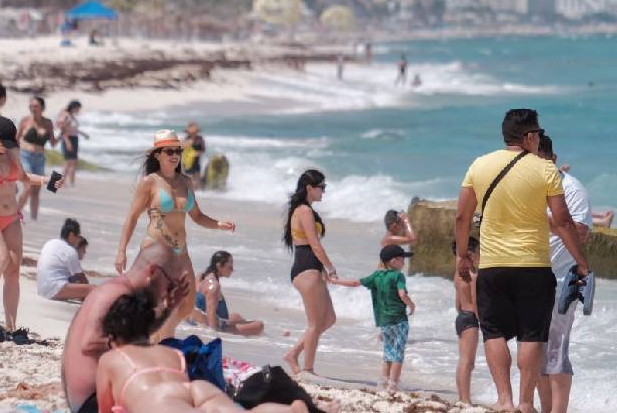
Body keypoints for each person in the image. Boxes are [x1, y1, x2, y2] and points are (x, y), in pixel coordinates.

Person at [455, 109, 589, 413]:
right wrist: (581, 261)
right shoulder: (545, 170)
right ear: (529, 136)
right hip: (534, 266)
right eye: (538, 133)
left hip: (493, 265)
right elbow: (563, 221)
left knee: (494, 332)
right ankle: (526, 402)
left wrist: (462, 255)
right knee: (532, 335)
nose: (539, 138)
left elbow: (462, 216)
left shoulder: (479, 165)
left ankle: (505, 400)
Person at [96, 289, 306, 413]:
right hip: (198, 388)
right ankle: (290, 410)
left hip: (159, 399)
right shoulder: (170, 353)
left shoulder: (111, 358)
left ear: (114, 335)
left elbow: (103, 410)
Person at [115, 129, 235, 341]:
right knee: (161, 304)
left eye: (178, 150)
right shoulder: (150, 182)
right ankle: (160, 342)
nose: (175, 155)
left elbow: (197, 216)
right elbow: (132, 217)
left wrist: (218, 224)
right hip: (156, 249)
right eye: (169, 151)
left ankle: (157, 337)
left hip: (181, 252)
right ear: (157, 155)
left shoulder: (186, 182)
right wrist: (121, 250)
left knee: (187, 305)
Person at [0, 116, 63, 331]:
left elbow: (23, 177)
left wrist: (47, 180)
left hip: (12, 217)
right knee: (1, 259)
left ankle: (11, 326)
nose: (5, 147)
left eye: (9, 143)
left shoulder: (11, 153)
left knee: (13, 271)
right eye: (2, 142)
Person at [62, 242, 190, 413]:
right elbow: (89, 342)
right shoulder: (115, 293)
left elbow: (135, 333)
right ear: (152, 272)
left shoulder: (124, 294)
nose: (168, 292)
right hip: (91, 400)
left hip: (94, 396)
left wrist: (168, 308)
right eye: (170, 285)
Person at [536, 135, 593, 413]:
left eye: (541, 161)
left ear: (553, 159)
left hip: (561, 280)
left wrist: (541, 218)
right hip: (529, 276)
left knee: (556, 350)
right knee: (534, 348)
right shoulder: (525, 187)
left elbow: (581, 232)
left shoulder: (572, 188)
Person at [329, 245, 416, 393]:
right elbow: (402, 294)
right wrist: (412, 305)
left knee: (388, 351)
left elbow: (355, 283)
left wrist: (334, 281)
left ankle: (384, 381)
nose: (404, 262)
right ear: (393, 261)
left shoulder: (376, 276)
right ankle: (393, 385)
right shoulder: (398, 276)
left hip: (384, 320)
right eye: (402, 259)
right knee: (398, 352)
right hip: (399, 319)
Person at [282, 169, 337, 378]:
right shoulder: (304, 211)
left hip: (312, 268)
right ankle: (308, 370)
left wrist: (322, 269)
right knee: (314, 324)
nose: (324, 191)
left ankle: (293, 354)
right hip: (306, 268)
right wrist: (330, 267)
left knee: (329, 318)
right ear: (309, 188)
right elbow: (314, 244)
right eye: (321, 187)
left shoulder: (307, 210)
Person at [191, 250, 264, 336]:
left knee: (236, 317)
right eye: (230, 267)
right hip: (218, 326)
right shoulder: (213, 286)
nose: (233, 270)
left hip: (197, 321)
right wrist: (216, 334)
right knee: (259, 325)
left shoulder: (200, 277)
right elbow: (211, 318)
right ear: (219, 266)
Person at [16, 96, 58, 220]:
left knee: (36, 191)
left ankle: (34, 219)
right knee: (28, 187)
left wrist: (63, 133)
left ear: (42, 108)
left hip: (40, 159)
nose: (33, 108)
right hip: (25, 157)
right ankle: (15, 215)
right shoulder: (25, 121)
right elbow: (15, 140)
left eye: (36, 106)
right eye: (31, 106)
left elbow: (53, 143)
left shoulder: (48, 123)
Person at [37, 218, 95, 302]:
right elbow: (82, 279)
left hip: (41, 289)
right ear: (71, 235)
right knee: (92, 289)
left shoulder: (50, 242)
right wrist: (85, 291)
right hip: (54, 289)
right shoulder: (69, 250)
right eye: (78, 236)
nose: (78, 239)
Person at [453, 237, 481, 404]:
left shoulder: (458, 275)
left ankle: (462, 397)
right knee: (468, 362)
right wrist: (481, 321)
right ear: (471, 255)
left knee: (463, 360)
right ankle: (465, 399)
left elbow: (457, 304)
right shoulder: (473, 276)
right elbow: (476, 303)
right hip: (471, 318)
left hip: (461, 317)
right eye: (477, 253)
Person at [57, 99, 90, 187]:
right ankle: (60, 182)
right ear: (74, 107)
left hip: (74, 139)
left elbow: (74, 129)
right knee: (68, 162)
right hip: (68, 139)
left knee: (74, 162)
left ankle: (72, 182)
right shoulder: (66, 116)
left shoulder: (72, 116)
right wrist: (68, 142)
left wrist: (84, 134)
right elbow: (63, 131)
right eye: (78, 108)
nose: (79, 110)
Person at [182, 121, 206, 189]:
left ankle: (199, 192)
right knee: (190, 177)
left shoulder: (200, 139)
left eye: (194, 132)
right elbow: (182, 149)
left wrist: (197, 153)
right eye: (191, 132)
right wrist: (186, 144)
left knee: (197, 177)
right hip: (187, 161)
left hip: (196, 160)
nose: (193, 134)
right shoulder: (186, 139)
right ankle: (192, 191)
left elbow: (203, 149)